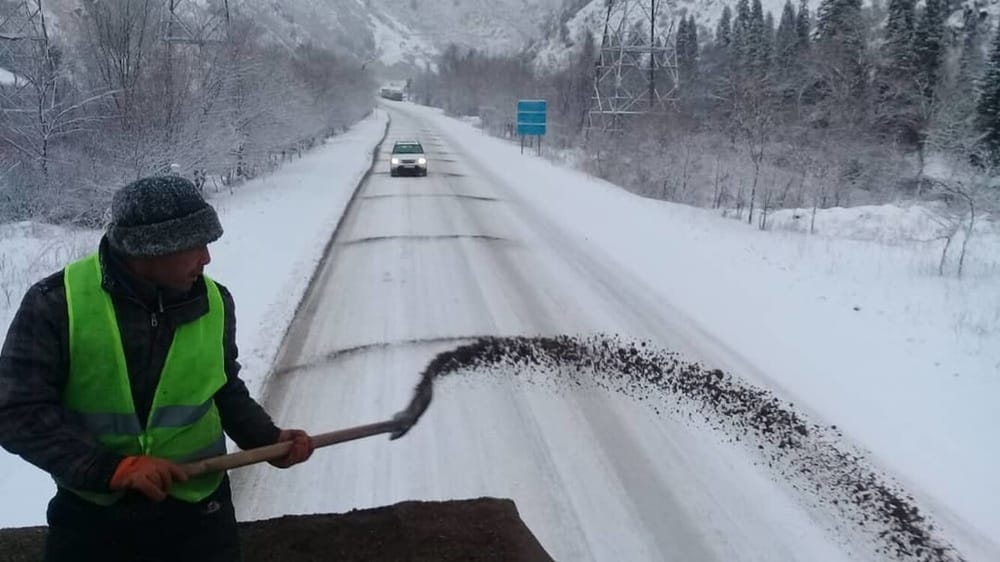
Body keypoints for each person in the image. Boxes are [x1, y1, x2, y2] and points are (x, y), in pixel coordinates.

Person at [0, 176, 315, 561]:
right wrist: (111, 469)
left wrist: (269, 439)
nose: (207, 258)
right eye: (194, 245)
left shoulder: (216, 301)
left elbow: (225, 388)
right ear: (149, 249)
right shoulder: (55, 304)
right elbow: (16, 411)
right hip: (94, 522)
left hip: (200, 515)